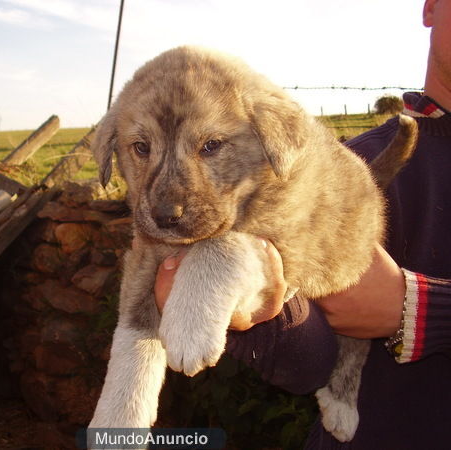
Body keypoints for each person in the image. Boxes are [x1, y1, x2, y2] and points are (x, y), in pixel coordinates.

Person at [153, 0, 451, 447]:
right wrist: (261, 309)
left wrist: (419, 310)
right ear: (429, 8)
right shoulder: (354, 167)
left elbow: (400, 307)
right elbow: (309, 365)